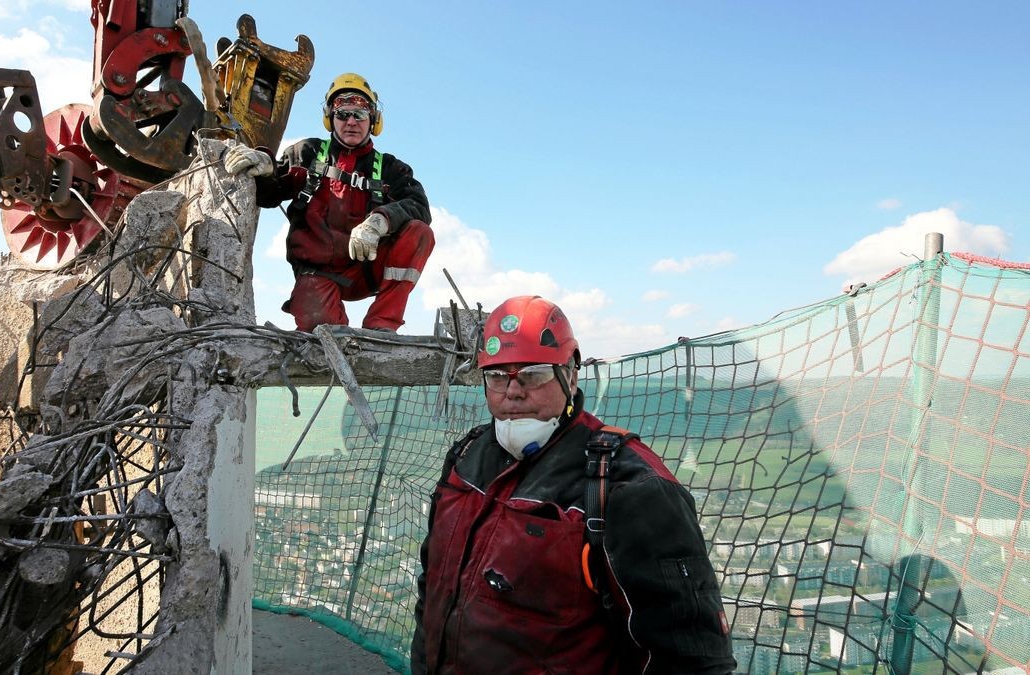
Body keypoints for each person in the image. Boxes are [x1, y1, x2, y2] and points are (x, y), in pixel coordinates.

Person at [411, 296, 736, 674]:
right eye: (498, 375)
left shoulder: (627, 485)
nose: (513, 391)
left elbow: (689, 659)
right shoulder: (467, 458)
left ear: (571, 374)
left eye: (532, 374)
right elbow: (433, 589)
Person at [223, 72, 433, 332]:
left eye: (360, 114)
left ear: (374, 120)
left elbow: (419, 206)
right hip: (317, 273)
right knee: (324, 337)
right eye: (342, 114)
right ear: (330, 119)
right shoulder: (307, 153)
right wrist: (265, 167)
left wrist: (380, 221)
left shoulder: (391, 168)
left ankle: (382, 328)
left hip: (366, 268)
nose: (351, 122)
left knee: (420, 233)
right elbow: (269, 195)